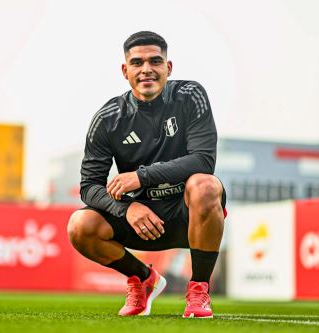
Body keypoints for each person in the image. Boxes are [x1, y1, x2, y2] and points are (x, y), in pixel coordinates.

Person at [67, 31, 226, 318]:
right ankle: (143, 279)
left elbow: (204, 160)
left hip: (186, 215)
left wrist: (141, 176)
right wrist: (125, 208)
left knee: (205, 185)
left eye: (155, 61)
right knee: (80, 225)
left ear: (169, 67)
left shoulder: (190, 96)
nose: (146, 70)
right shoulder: (108, 118)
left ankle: (199, 290)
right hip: (140, 220)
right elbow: (89, 186)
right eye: (137, 63)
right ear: (125, 70)